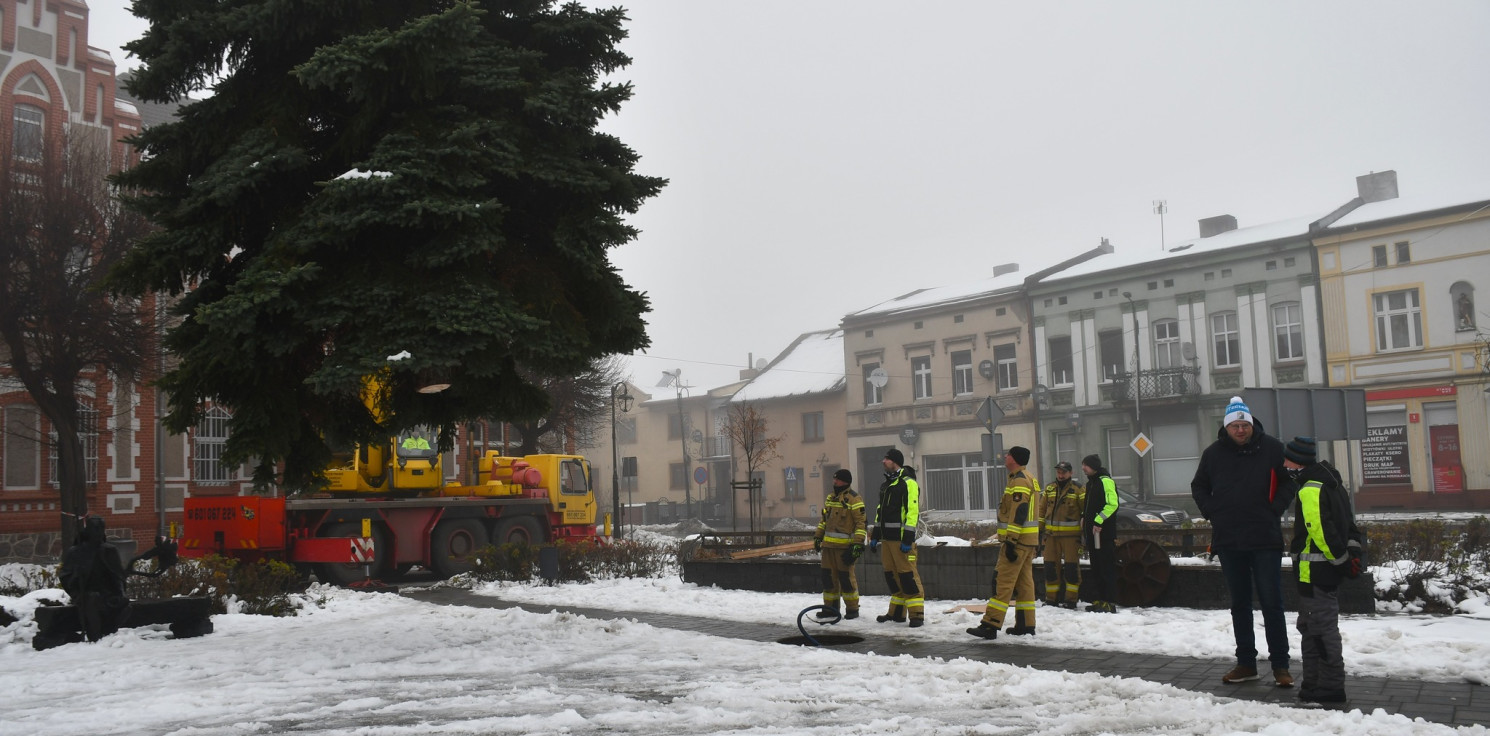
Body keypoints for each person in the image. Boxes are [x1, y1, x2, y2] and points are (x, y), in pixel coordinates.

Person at [1192, 396, 1298, 687]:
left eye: (1244, 425)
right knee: (1239, 604)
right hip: (1229, 540)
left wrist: (1274, 508)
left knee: (1271, 603)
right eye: (1235, 425)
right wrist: (1213, 511)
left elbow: (1290, 481)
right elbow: (1198, 486)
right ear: (1226, 427)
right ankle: (1246, 663)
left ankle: (1281, 666)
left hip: (1265, 539)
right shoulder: (1213, 454)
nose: (1240, 430)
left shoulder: (1274, 449)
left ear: (1252, 425)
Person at [1285, 436, 1365, 705]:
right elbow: (1350, 525)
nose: (1283, 464)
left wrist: (1340, 560)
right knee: (1311, 627)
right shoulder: (1332, 482)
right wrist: (1351, 555)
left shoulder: (1310, 488)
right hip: (1324, 572)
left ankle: (1329, 687)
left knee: (1320, 630)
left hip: (1314, 572)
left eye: (1286, 459)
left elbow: (1319, 531)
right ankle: (1312, 684)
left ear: (1297, 462)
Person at [967, 446, 1042, 639]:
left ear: (1014, 459)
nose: (1005, 456)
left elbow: (1020, 511)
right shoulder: (1028, 477)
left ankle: (990, 625)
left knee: (1003, 582)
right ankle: (1026, 625)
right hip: (1027, 541)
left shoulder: (1019, 480)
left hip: (1017, 541)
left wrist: (1010, 541)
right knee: (1025, 585)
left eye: (1008, 454)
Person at [868, 448, 925, 627]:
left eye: (887, 459)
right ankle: (897, 613)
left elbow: (912, 512)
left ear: (895, 462)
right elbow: (880, 514)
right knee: (892, 576)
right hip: (887, 540)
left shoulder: (908, 483)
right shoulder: (886, 485)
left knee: (908, 576)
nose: (883, 461)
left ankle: (916, 615)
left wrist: (908, 539)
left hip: (901, 541)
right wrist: (875, 536)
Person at [813, 469, 867, 620]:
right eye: (834, 479)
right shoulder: (830, 498)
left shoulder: (854, 499)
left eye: (837, 479)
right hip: (828, 548)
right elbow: (824, 521)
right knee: (828, 579)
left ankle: (852, 609)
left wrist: (857, 545)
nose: (834, 482)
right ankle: (830, 608)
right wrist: (818, 537)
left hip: (844, 549)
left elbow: (861, 524)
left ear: (845, 481)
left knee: (846, 579)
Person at [1042, 461, 1085, 609]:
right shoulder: (1049, 489)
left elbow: (1084, 512)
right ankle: (1051, 599)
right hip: (1051, 536)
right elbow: (1041, 512)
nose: (1060, 475)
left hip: (1071, 538)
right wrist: (1039, 533)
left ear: (1070, 473)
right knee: (1050, 567)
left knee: (1072, 569)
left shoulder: (1078, 489)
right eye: (1058, 472)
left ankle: (1071, 600)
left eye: (1064, 472)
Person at [1080, 454, 1120, 613]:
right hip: (1093, 535)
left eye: (1086, 465)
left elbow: (1112, 504)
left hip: (1103, 534)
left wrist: (1098, 521)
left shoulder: (1105, 481)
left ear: (1094, 466)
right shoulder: (1091, 483)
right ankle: (1100, 600)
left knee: (1106, 568)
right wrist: (1084, 518)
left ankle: (1109, 602)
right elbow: (1089, 506)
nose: (1083, 468)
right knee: (1096, 568)